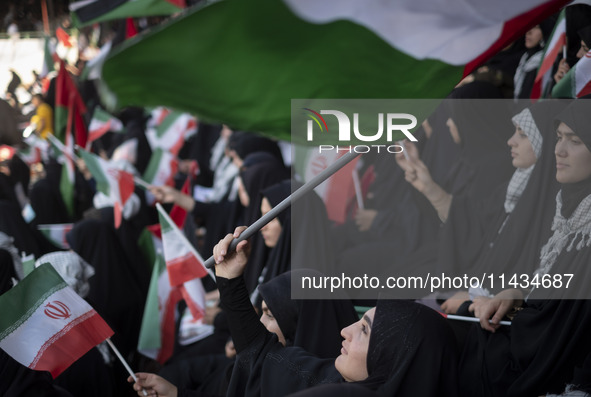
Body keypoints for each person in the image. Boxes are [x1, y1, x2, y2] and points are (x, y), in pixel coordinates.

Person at [196, 227, 457, 396]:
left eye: (365, 331)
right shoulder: (328, 380)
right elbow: (261, 357)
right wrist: (229, 280)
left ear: (396, 361)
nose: (345, 330)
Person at [459, 99, 591, 396]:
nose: (559, 150)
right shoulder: (569, 212)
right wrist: (517, 295)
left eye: (576, 140)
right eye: (558, 138)